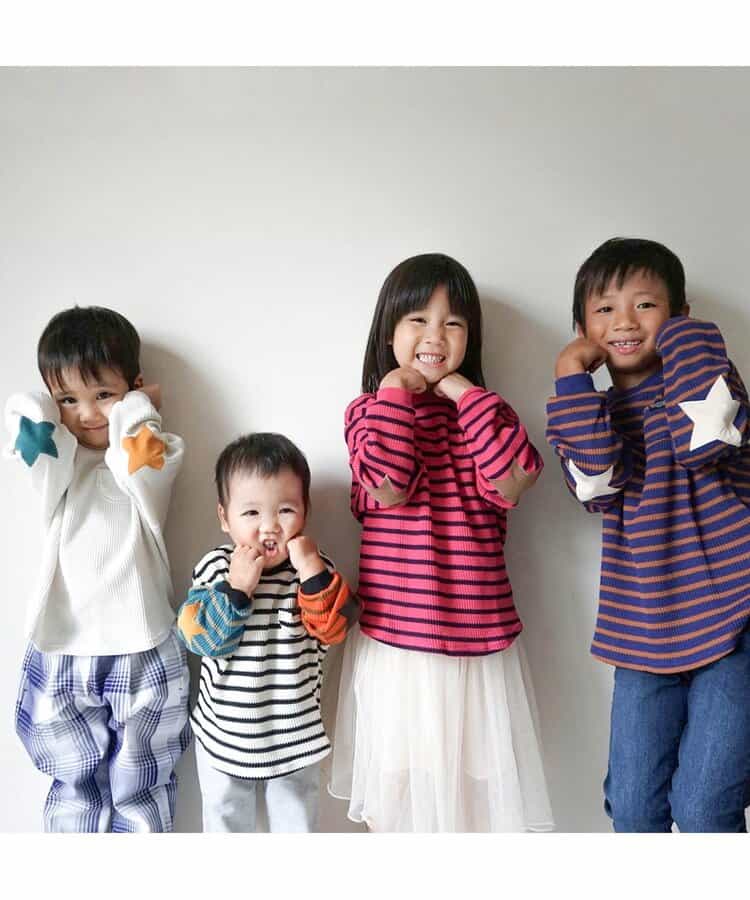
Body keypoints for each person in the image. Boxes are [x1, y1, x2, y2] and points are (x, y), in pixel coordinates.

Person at [329, 252, 553, 832]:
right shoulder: (370, 412)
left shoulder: (485, 415)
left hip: (477, 637)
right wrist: (395, 391)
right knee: (400, 790)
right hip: (399, 639)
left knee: (473, 796)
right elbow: (389, 484)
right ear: (388, 334)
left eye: (452, 323)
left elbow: (512, 480)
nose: (435, 336)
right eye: (418, 321)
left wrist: (464, 393)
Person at [546, 237, 750, 832]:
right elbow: (596, 485)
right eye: (604, 309)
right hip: (643, 629)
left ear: (680, 315)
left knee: (704, 808)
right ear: (583, 329)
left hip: (736, 618)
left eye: (645, 305)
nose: (625, 322)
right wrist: (569, 375)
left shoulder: (713, 383)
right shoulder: (593, 413)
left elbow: (702, 444)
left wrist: (682, 334)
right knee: (634, 809)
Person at [5, 305, 190, 832]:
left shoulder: (150, 456)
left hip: (141, 643)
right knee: (73, 788)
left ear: (132, 390)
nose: (87, 414)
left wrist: (134, 406)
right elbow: (25, 418)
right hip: (63, 644)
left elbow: (138, 458)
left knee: (141, 786)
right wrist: (54, 403)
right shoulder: (57, 465)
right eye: (68, 400)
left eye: (103, 395)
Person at [177, 432, 357, 832]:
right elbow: (198, 639)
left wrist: (311, 568)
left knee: (296, 826)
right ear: (224, 518)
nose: (270, 527)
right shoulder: (216, 568)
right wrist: (237, 588)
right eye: (251, 513)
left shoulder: (314, 571)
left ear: (306, 512)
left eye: (286, 510)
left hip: (295, 734)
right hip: (225, 734)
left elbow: (336, 628)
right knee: (224, 823)